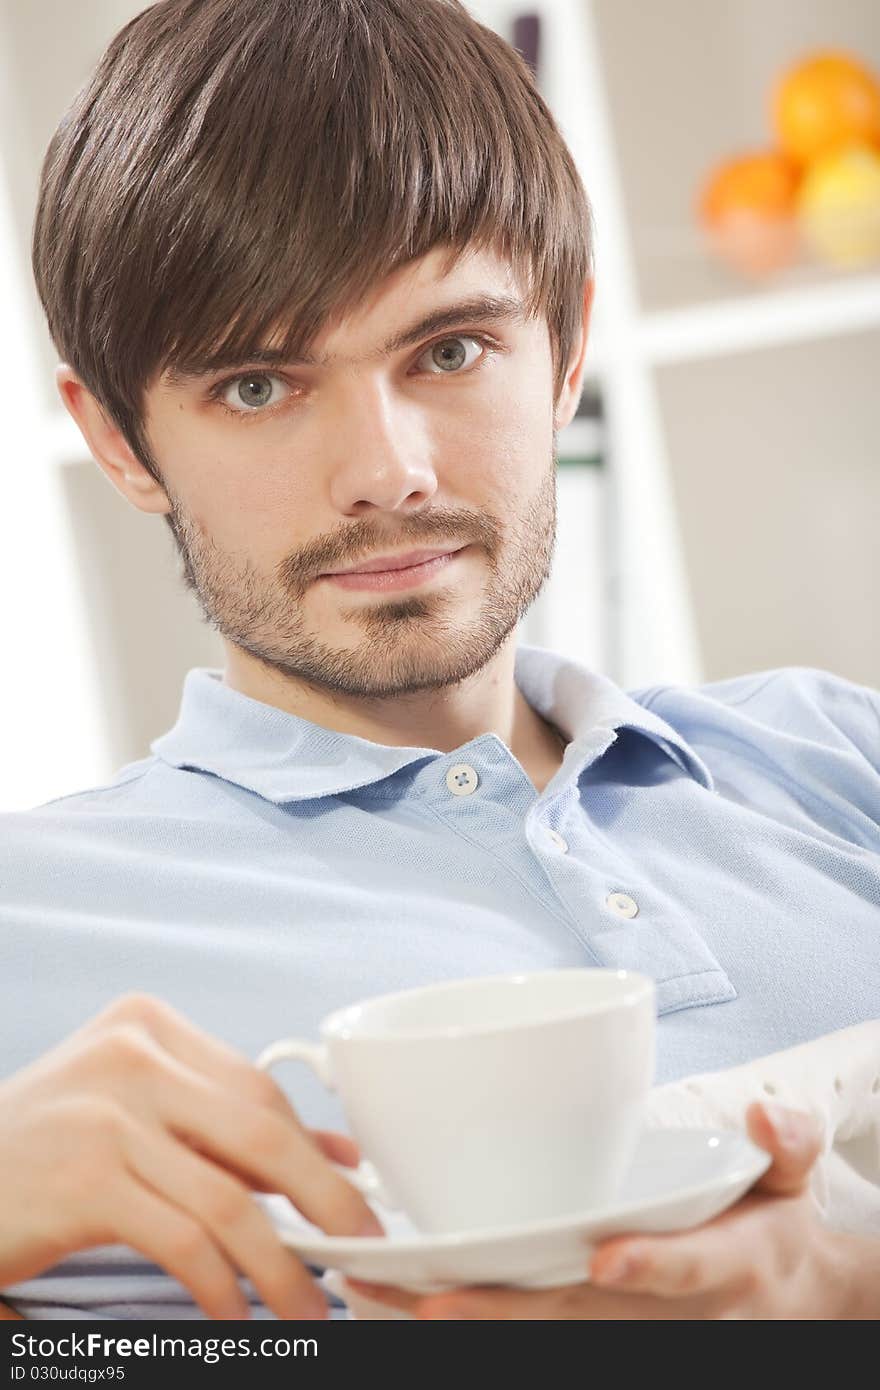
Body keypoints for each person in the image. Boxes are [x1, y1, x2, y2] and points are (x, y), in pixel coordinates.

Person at [1, 0, 878, 1322]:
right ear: (122, 441)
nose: (385, 473)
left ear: (568, 349)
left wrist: (846, 1281)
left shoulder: (840, 757)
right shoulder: (26, 929)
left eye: (451, 349)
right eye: (257, 384)